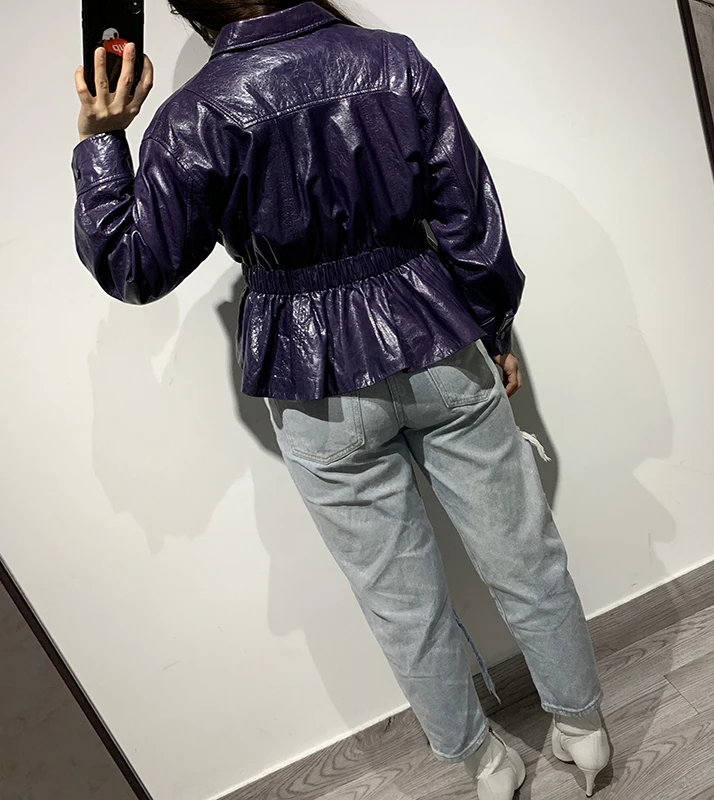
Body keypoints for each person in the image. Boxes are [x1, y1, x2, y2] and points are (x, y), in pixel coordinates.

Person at [72, 2, 610, 797]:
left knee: (402, 604)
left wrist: (101, 139)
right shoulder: (390, 59)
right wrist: (493, 327)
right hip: (435, 339)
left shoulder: (195, 114)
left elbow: (131, 266)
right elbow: (467, 213)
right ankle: (583, 729)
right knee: (524, 553)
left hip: (312, 383)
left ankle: (485, 765)